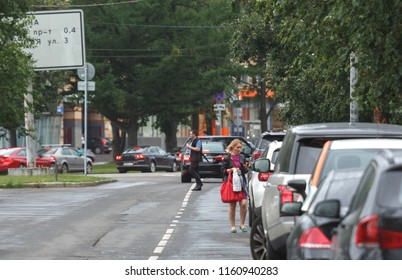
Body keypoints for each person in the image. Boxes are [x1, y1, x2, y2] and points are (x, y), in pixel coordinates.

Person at [222, 139, 248, 233]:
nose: (239, 149)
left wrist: (245, 168)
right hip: (232, 183)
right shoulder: (227, 158)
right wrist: (230, 170)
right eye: (238, 147)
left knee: (244, 204)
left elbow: (245, 170)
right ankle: (233, 226)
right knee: (232, 206)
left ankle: (242, 224)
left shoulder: (242, 157)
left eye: (241, 148)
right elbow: (223, 170)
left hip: (241, 183)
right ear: (233, 147)